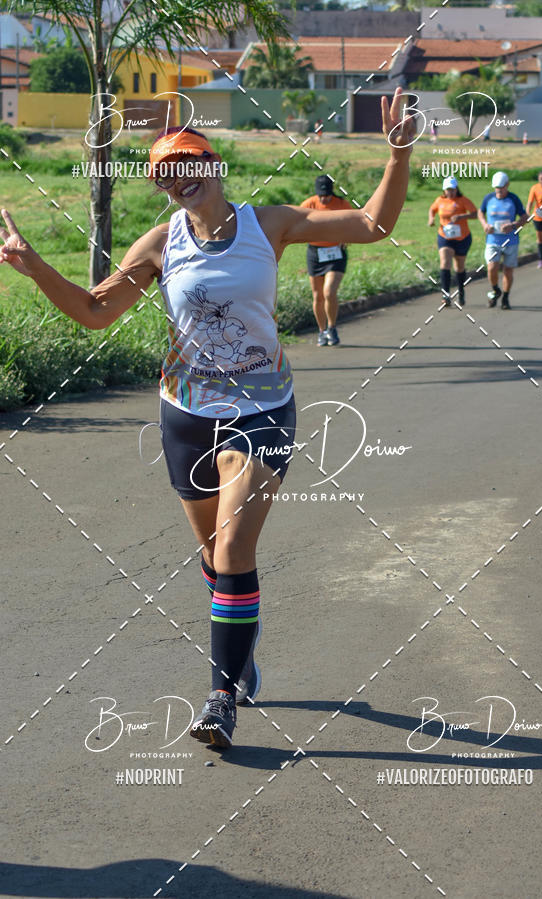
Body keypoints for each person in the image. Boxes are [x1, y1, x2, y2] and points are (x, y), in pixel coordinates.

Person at [0, 89, 415, 750]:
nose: (177, 177)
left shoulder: (270, 223)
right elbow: (94, 311)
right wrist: (33, 266)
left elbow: (372, 225)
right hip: (186, 412)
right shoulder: (162, 243)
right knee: (211, 557)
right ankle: (240, 650)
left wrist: (399, 151)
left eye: (188, 161)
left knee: (233, 548)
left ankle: (221, 696)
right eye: (163, 172)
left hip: (262, 408)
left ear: (216, 163)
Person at [301, 174, 353, 346]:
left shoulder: (341, 204)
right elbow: (296, 222)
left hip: (335, 252)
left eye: (327, 195)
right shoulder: (309, 204)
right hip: (315, 253)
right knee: (317, 296)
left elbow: (354, 221)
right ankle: (322, 331)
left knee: (329, 292)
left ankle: (332, 327)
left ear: (332, 192)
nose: (324, 199)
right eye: (321, 195)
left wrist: (347, 236)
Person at [478, 171, 527, 309]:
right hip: (493, 240)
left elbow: (525, 217)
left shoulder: (513, 199)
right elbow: (480, 212)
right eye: (496, 188)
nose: (499, 190)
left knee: (508, 271)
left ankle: (505, 297)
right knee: (492, 268)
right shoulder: (488, 198)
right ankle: (495, 290)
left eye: (501, 187)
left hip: (510, 241)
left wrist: (513, 225)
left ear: (507, 185)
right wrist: (485, 225)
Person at [428, 175, 477, 307]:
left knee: (459, 266)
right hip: (445, 237)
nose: (450, 192)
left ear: (456, 189)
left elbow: (475, 213)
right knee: (445, 262)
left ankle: (461, 291)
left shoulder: (463, 200)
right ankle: (446, 294)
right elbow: (432, 210)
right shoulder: (440, 200)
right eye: (448, 190)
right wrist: (431, 219)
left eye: (453, 189)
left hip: (462, 237)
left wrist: (462, 216)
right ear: (444, 190)